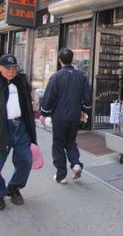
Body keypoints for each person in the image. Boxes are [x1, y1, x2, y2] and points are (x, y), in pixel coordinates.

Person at [40, 48, 92, 184]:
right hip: (74, 116)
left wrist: (43, 113)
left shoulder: (56, 77)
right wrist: (85, 111)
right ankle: (75, 164)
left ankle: (61, 175)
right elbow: (87, 98)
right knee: (71, 142)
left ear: (60, 60)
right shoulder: (81, 77)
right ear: (72, 59)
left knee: (58, 145)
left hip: (59, 116)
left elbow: (49, 97)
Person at [0, 54, 37, 210]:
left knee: (26, 161)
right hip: (3, 129)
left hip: (20, 127)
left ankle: (14, 187)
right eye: (8, 69)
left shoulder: (20, 82)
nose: (11, 72)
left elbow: (28, 105)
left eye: (14, 68)